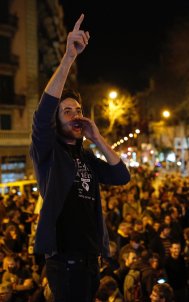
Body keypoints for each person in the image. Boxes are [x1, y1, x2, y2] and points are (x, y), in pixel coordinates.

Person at [30, 14, 131, 302]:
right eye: (67, 111)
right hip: (64, 261)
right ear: (56, 121)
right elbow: (43, 112)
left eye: (78, 110)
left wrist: (98, 138)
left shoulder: (86, 156)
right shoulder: (48, 152)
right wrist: (68, 58)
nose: (76, 115)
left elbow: (121, 176)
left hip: (90, 259)